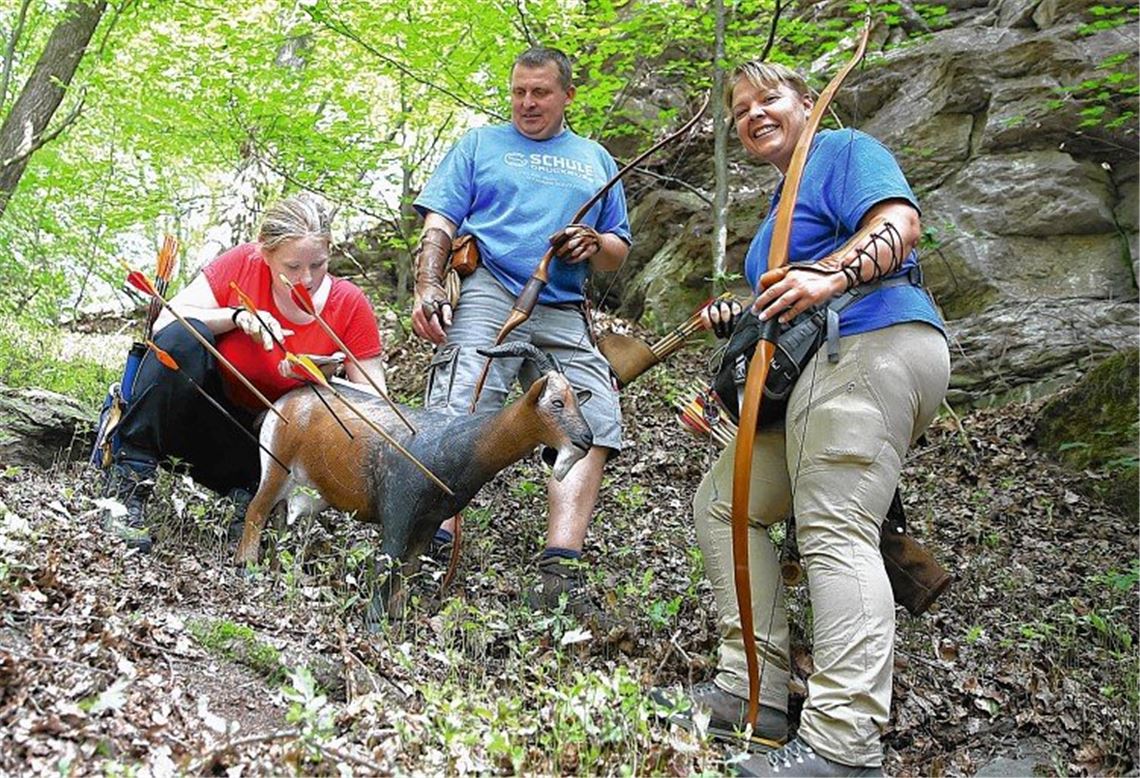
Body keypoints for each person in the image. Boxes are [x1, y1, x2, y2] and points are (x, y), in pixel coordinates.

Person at [654, 61, 950, 776]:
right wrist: (741, 317)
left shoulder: (844, 152)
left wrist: (833, 275)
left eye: (770, 98)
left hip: (872, 343)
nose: (754, 114)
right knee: (724, 504)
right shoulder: (775, 217)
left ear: (808, 103)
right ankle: (752, 693)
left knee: (835, 529)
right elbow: (780, 312)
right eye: (741, 110)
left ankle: (844, 748)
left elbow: (898, 226)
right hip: (810, 374)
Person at [410, 46, 631, 621]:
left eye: (540, 93)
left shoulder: (595, 159)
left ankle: (560, 567)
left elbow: (617, 251)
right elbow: (440, 222)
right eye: (518, 92)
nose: (527, 103)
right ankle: (431, 537)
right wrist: (429, 285)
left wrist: (592, 243)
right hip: (489, 287)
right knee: (459, 397)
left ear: (567, 96)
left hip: (561, 305)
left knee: (593, 414)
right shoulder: (480, 145)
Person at [104, 194, 386, 551]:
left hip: (264, 452)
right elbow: (165, 323)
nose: (307, 279)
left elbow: (378, 406)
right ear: (265, 254)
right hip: (196, 418)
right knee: (185, 336)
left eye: (318, 264)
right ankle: (129, 478)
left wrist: (326, 382)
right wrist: (236, 317)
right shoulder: (243, 265)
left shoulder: (349, 305)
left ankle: (249, 503)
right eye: (293, 267)